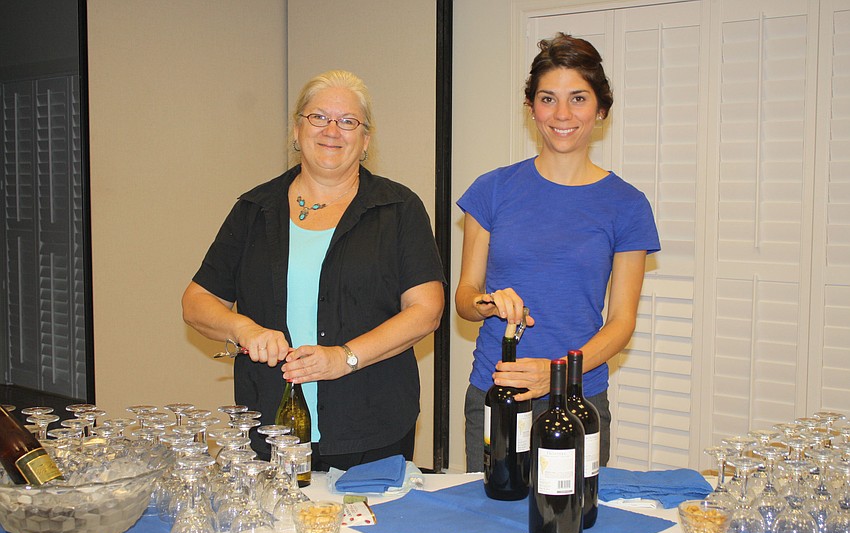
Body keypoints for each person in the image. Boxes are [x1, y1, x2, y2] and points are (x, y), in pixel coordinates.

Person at [183, 69, 445, 470]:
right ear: (297, 129)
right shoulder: (255, 210)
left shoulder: (398, 209)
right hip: (270, 428)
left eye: (348, 122)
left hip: (373, 424)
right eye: (318, 117)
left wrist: (345, 358)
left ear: (365, 140)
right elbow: (197, 301)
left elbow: (426, 310)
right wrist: (243, 329)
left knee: (369, 529)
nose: (332, 131)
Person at [455, 33, 660, 472]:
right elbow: (465, 299)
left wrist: (556, 373)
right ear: (531, 108)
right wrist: (486, 303)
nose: (562, 114)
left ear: (601, 110)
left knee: (571, 525)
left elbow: (621, 323)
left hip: (579, 397)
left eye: (578, 99)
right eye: (548, 98)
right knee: (490, 523)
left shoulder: (627, 205)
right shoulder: (491, 190)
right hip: (498, 393)